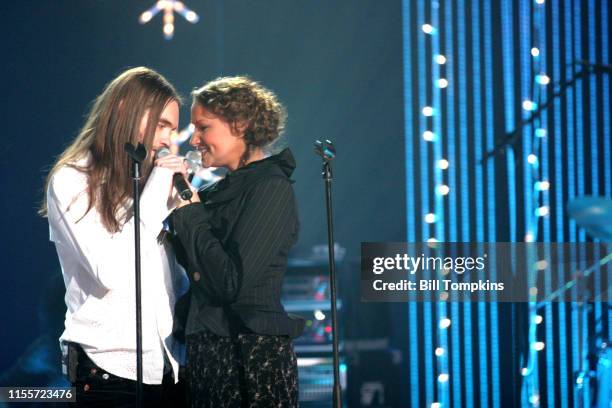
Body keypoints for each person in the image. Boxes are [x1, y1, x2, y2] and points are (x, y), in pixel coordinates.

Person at [41, 67, 189, 407]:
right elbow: (108, 271)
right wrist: (153, 201)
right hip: (107, 372)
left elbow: (174, 286)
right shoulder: (73, 180)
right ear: (124, 109)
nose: (168, 140)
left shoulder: (149, 187)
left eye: (173, 128)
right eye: (162, 125)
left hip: (167, 368)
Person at [169, 76, 304, 407]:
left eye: (204, 127)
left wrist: (190, 210)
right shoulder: (223, 192)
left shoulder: (270, 188)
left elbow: (231, 283)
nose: (195, 139)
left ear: (241, 124)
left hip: (250, 359)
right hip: (209, 354)